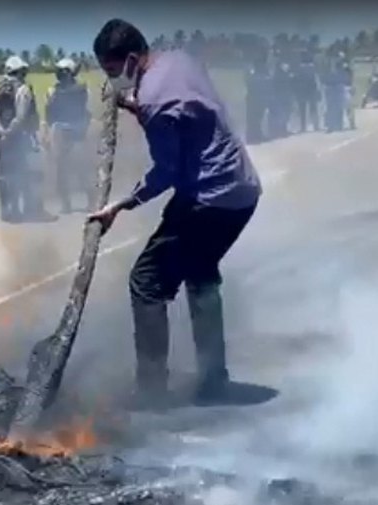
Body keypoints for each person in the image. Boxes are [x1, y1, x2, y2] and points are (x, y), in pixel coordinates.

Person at [87, 18, 262, 407]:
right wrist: (137, 108)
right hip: (243, 190)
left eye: (113, 71)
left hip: (208, 197)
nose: (112, 80)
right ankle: (214, 380)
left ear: (132, 60)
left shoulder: (154, 101)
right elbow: (187, 110)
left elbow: (167, 171)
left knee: (146, 281)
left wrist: (121, 205)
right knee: (200, 273)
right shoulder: (179, 60)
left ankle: (152, 393)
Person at [0, 56, 41, 222]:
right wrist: (9, 133)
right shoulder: (23, 89)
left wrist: (1, 133)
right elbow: (22, 117)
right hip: (19, 138)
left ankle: (7, 210)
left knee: (4, 174)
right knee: (23, 172)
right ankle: (27, 209)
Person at [44, 57, 92, 213]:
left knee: (81, 168)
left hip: (76, 131)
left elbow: (87, 111)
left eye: (64, 72)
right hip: (62, 132)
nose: (61, 75)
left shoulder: (80, 89)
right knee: (63, 170)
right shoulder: (55, 91)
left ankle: (89, 200)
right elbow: (49, 114)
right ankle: (67, 204)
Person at [244, 55, 271, 144]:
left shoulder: (254, 74)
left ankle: (255, 135)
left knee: (256, 118)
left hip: (255, 98)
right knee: (254, 118)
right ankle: (253, 136)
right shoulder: (257, 75)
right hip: (255, 99)